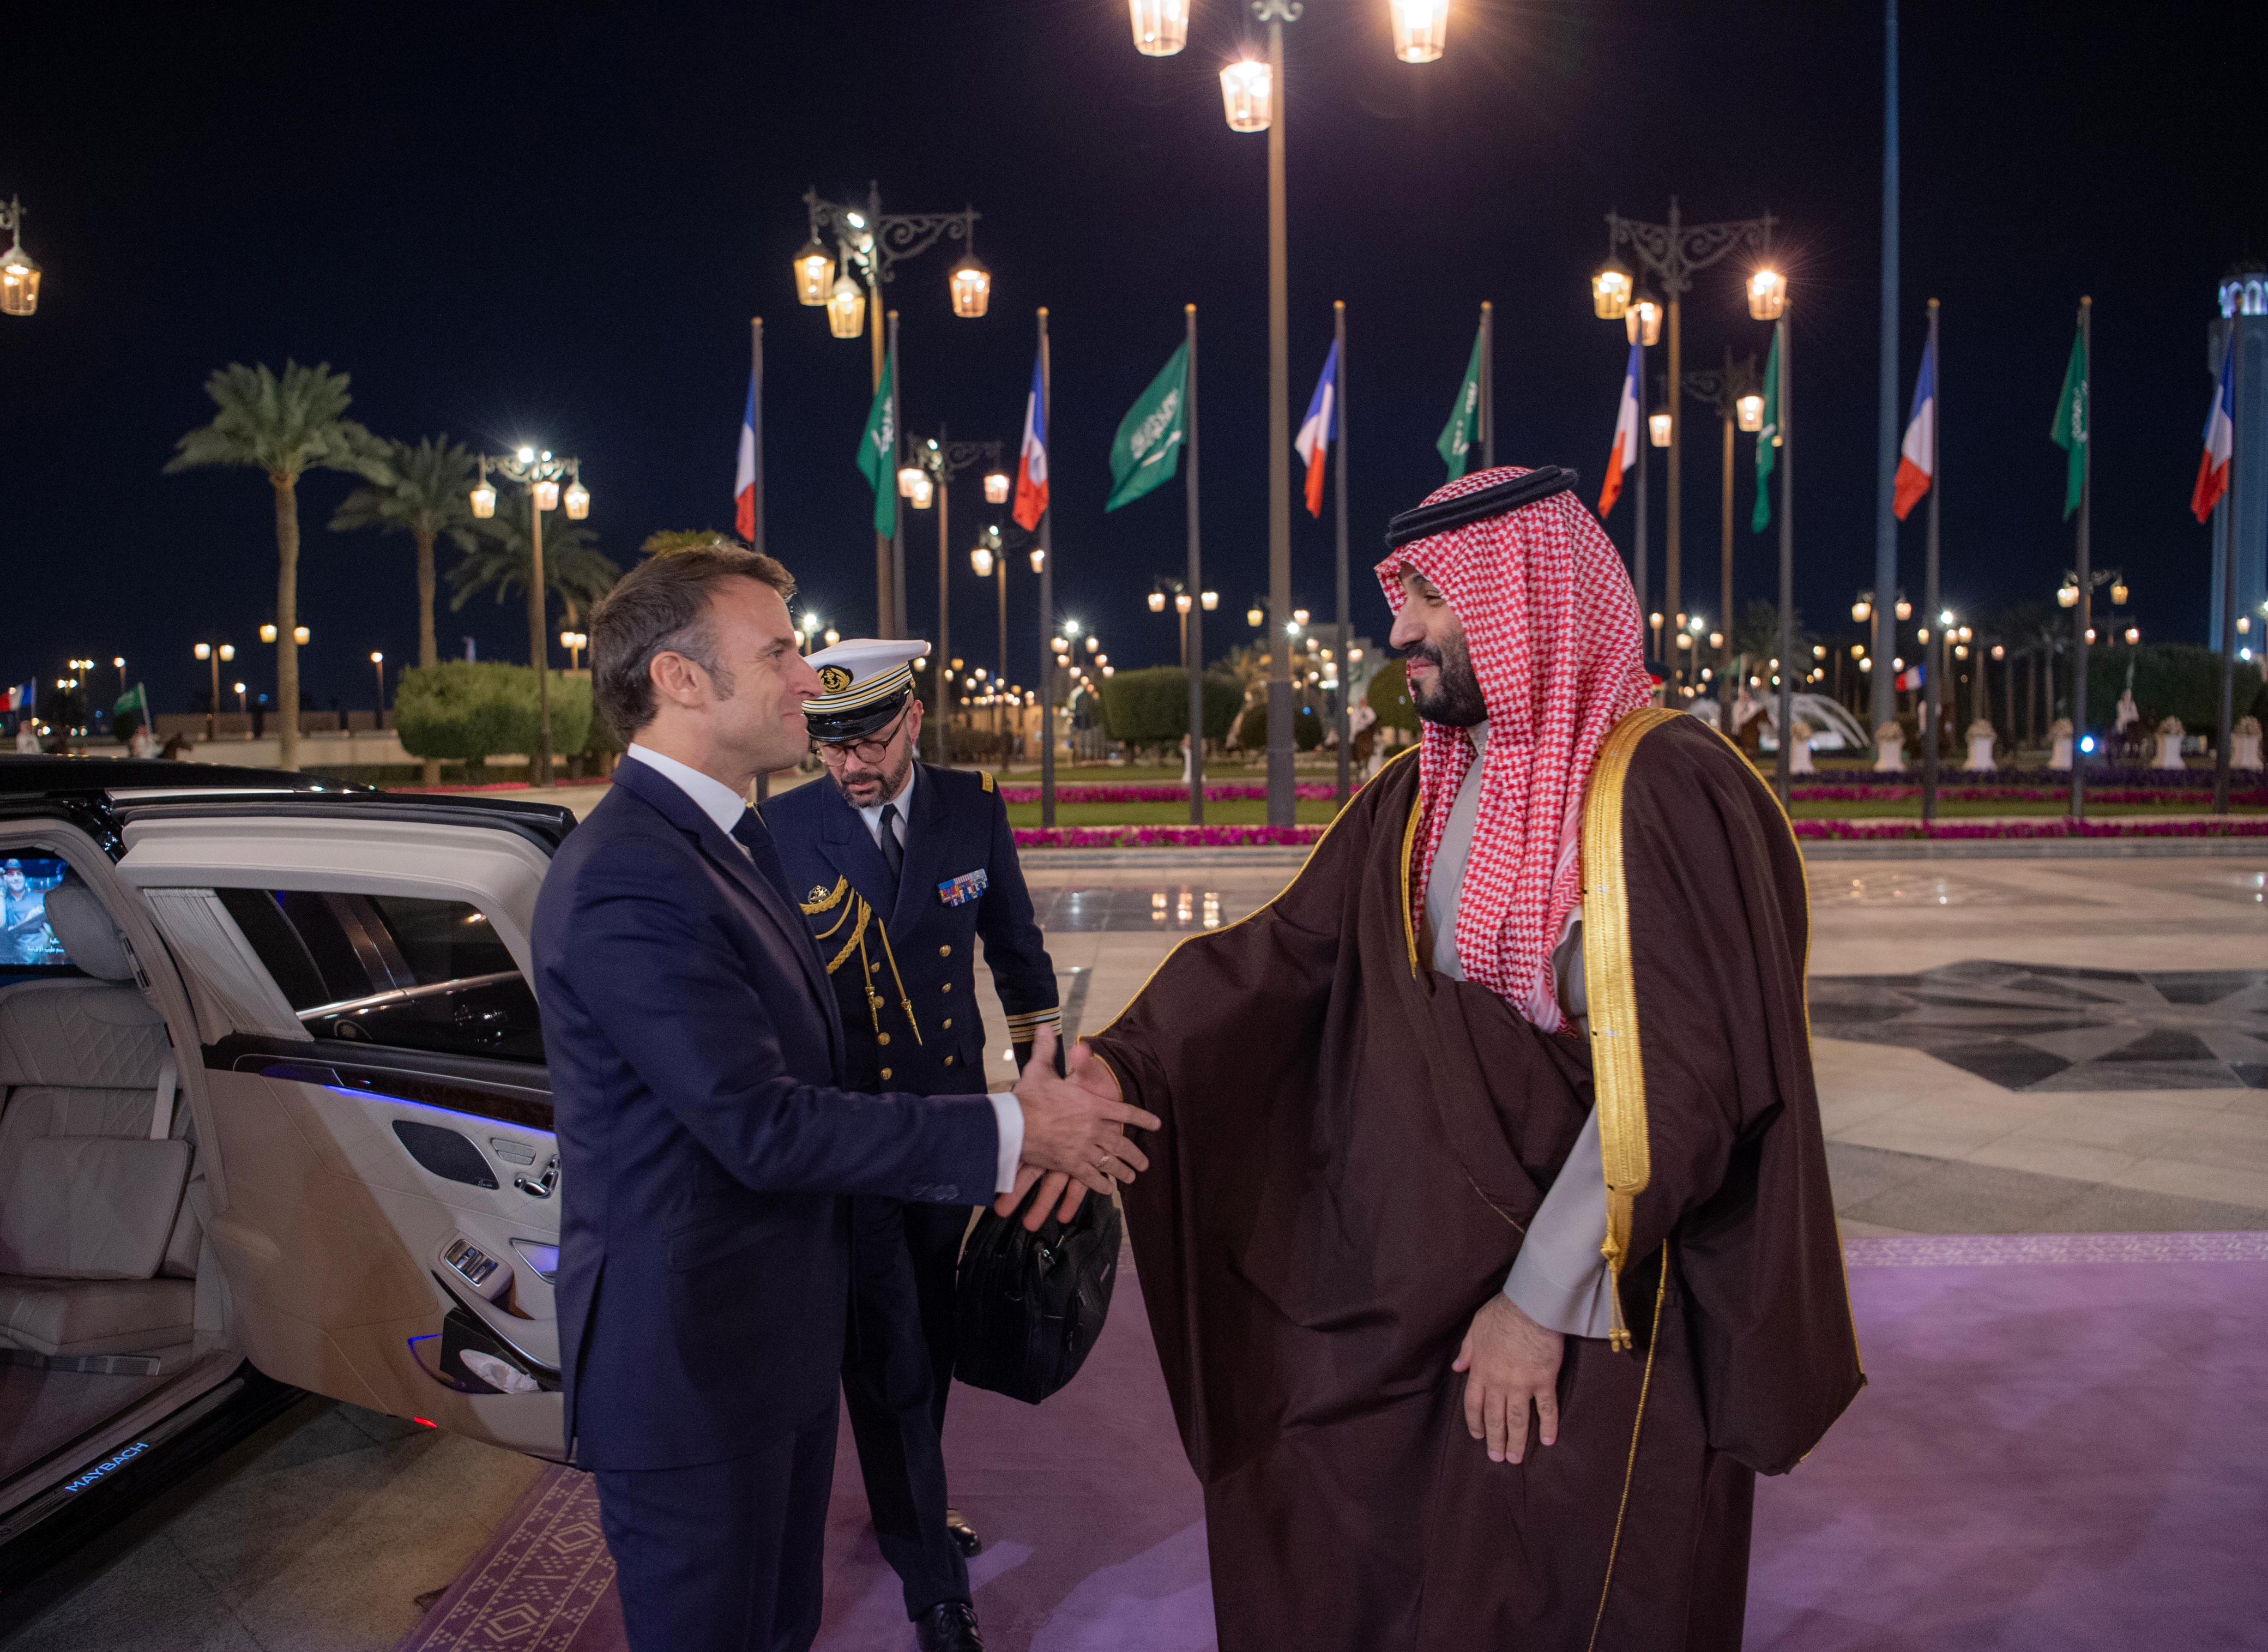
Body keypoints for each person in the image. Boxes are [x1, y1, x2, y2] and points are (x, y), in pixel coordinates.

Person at [1054, 467, 1862, 1650]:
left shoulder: (1664, 788)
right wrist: (1120, 1072)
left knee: (1559, 1594)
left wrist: (1536, 1304)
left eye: (1429, 596)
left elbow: (1683, 1092)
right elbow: (1281, 962)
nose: (1398, 631)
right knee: (1364, 1544)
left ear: (1520, 602)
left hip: (1597, 1309)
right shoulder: (1416, 797)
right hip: (1413, 1284)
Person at [530, 544, 1157, 1652]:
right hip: (694, 1367)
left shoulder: (712, 843)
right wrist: (1017, 1128)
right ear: (679, 680)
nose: (807, 685)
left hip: (773, 1335)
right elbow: (762, 1125)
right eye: (776, 653)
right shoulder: (633, 868)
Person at [763, 637, 1060, 1652]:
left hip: (949, 1129)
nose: (852, 766)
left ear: (916, 719)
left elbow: (1017, 953)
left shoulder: (970, 807)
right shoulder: (783, 829)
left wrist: (1043, 1076)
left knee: (930, 1338)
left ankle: (908, 1512)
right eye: (829, 746)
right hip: (851, 1138)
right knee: (885, 1349)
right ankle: (933, 1585)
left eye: (871, 741)